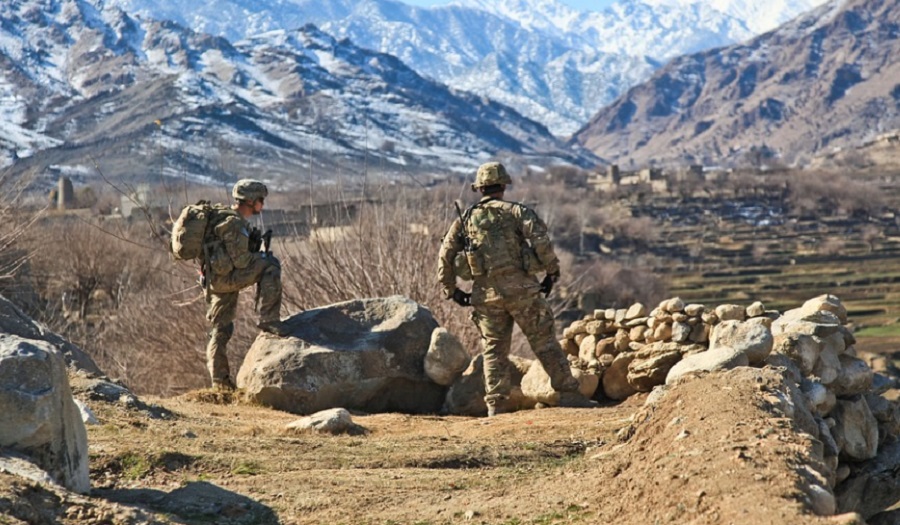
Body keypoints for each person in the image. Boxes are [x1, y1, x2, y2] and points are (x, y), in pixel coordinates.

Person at [437, 162, 597, 416]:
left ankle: (496, 404)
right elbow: (541, 241)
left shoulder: (465, 219)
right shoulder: (516, 212)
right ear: (503, 186)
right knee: (545, 343)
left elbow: (445, 254)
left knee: (494, 350)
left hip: (486, 297)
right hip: (524, 293)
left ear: (480, 188)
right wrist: (551, 271)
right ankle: (569, 394)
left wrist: (451, 290)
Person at [203, 179, 288, 391]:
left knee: (221, 329)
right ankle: (269, 319)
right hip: (226, 279)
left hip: (216, 280)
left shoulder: (224, 217)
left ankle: (220, 382)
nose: (262, 205)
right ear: (250, 201)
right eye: (260, 200)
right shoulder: (234, 223)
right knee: (271, 266)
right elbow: (242, 262)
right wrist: (259, 255)